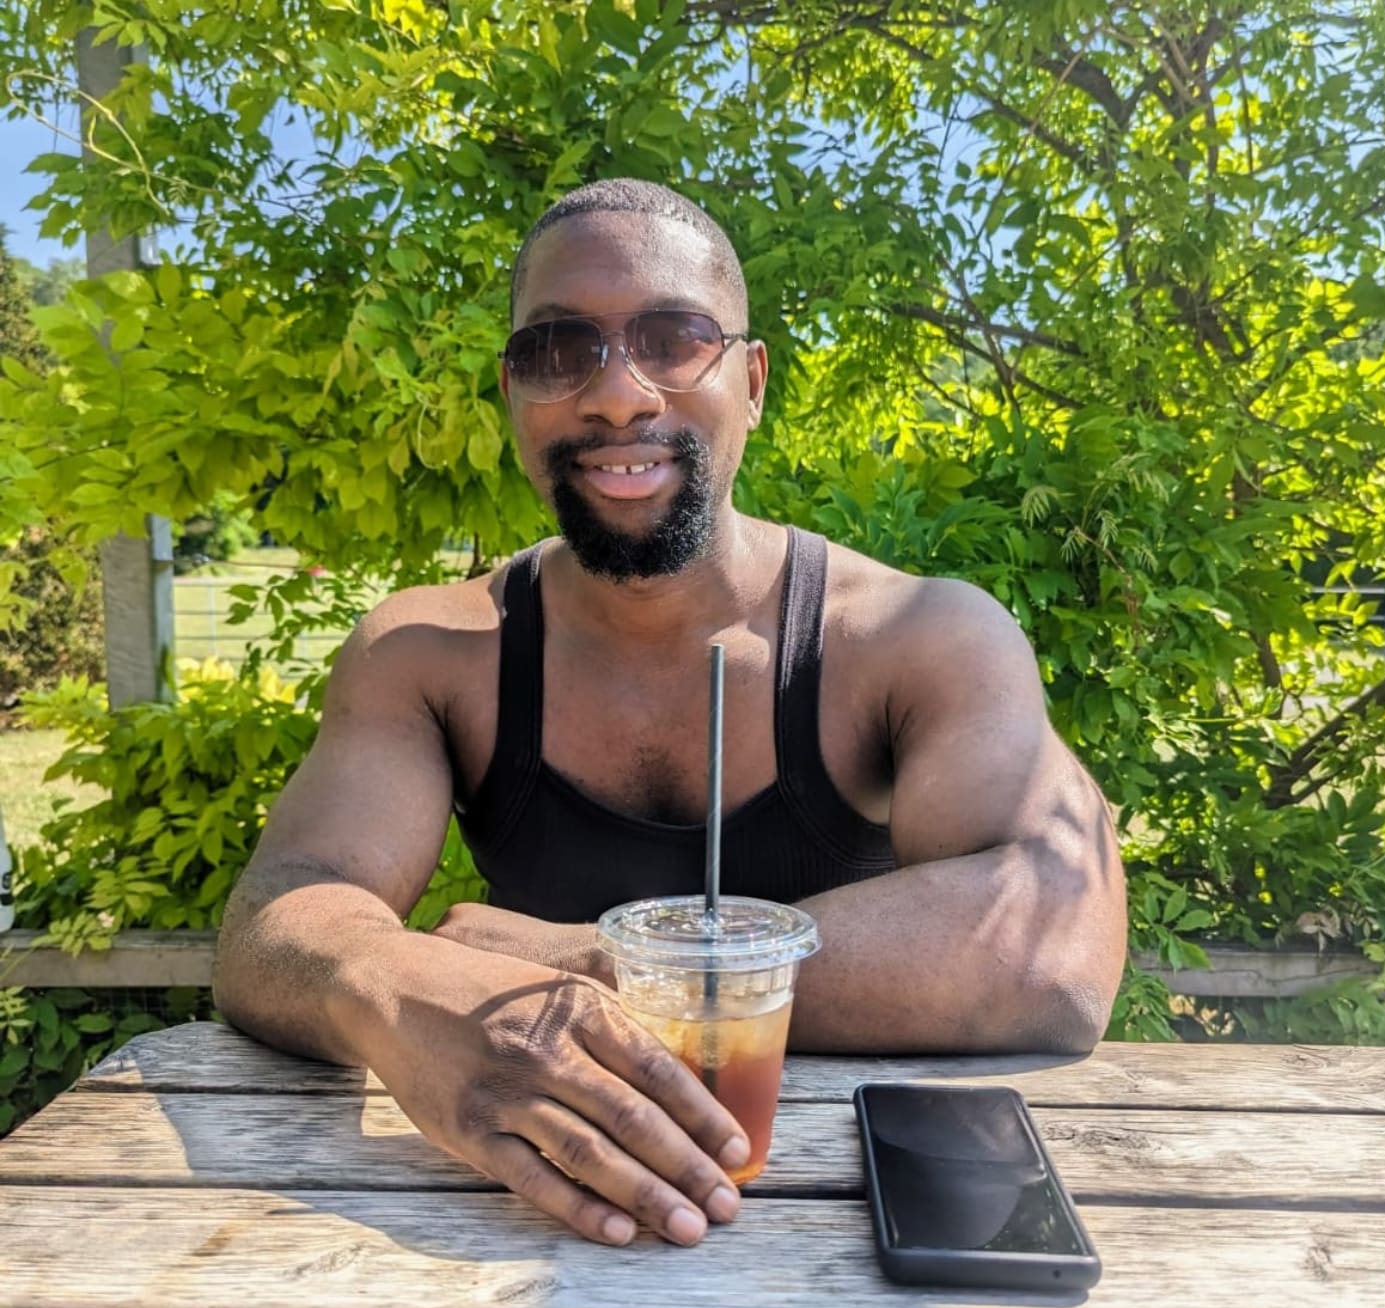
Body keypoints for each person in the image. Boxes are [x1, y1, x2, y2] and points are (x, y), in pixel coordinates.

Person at [216, 178, 1127, 1249]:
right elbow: (277, 919)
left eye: (674, 339)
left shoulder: (914, 636)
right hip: (519, 1227)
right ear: (512, 393)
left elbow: (1051, 949)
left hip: (833, 1227)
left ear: (752, 381)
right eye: (559, 350)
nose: (616, 395)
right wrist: (398, 984)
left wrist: (592, 967)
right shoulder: (429, 653)